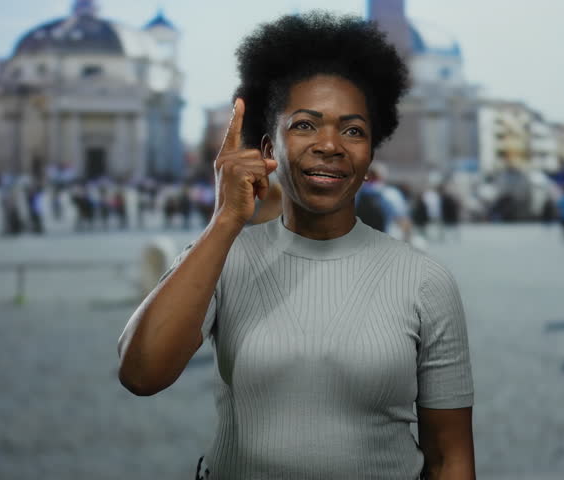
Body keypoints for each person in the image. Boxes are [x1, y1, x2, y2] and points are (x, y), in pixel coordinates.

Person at [117, 13, 475, 480]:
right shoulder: (223, 258)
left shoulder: (425, 281)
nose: (330, 145)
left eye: (353, 131)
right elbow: (142, 374)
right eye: (305, 125)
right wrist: (226, 219)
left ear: (370, 155)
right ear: (269, 146)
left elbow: (450, 455)